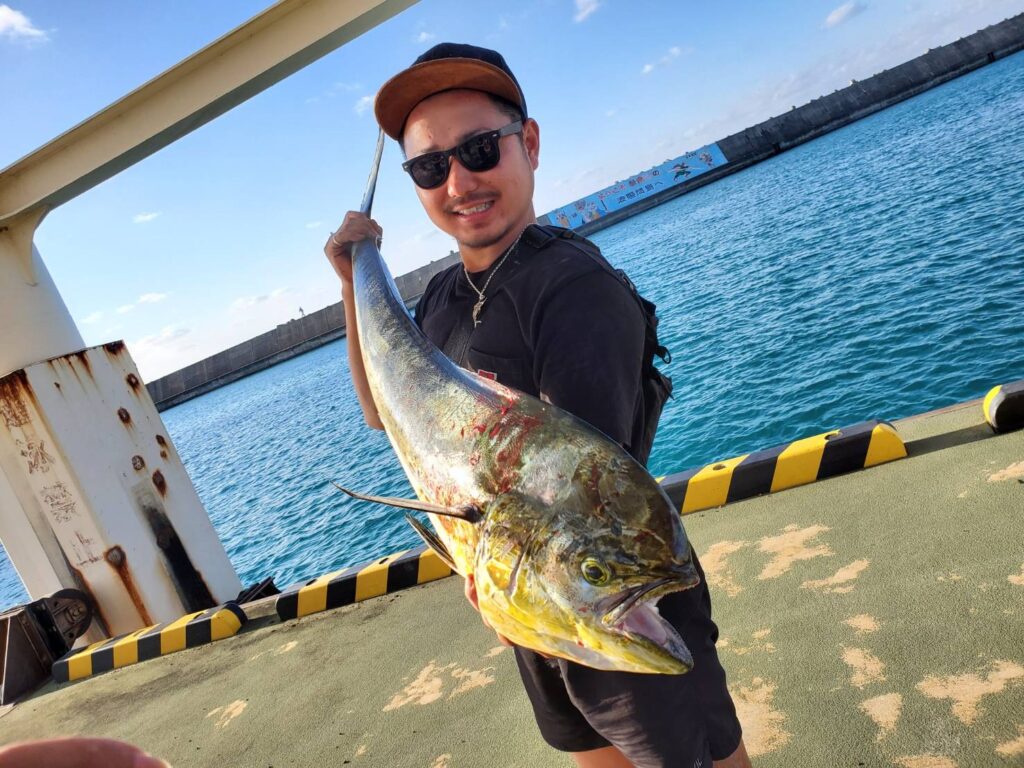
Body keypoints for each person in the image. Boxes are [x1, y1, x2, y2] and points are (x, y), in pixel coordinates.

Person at [325, 43, 751, 768]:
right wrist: (353, 279)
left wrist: (506, 577)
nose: (459, 181)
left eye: (479, 150)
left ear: (529, 143)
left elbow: (574, 501)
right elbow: (383, 412)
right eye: (430, 167)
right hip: (531, 596)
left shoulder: (572, 288)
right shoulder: (442, 298)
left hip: (605, 595)